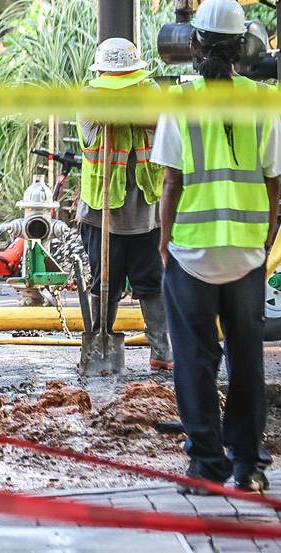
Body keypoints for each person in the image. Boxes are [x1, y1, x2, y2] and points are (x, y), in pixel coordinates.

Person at [151, 0, 281, 494]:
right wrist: (265, 241)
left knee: (195, 360)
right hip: (248, 255)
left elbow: (171, 183)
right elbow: (274, 182)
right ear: (241, 49)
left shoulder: (180, 103)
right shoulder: (261, 101)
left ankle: (207, 466)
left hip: (192, 255)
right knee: (247, 358)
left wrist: (164, 244)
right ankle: (248, 465)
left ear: (196, 44)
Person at [77, 37, 172, 370]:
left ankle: (162, 350)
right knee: (106, 282)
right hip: (103, 211)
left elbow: (160, 119)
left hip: (145, 209)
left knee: (151, 281)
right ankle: (99, 339)